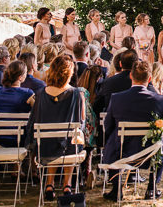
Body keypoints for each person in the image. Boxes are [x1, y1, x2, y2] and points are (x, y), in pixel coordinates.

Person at [102, 61, 163, 201]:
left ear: (131, 76)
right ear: (149, 79)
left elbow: (108, 126)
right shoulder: (158, 100)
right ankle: (152, 188)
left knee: (111, 138)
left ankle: (116, 188)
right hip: (147, 153)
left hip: (121, 151)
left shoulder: (117, 98)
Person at [25, 55, 85, 201]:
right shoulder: (78, 94)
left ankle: (49, 184)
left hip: (45, 147)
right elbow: (82, 120)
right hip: (70, 148)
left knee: (53, 140)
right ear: (69, 73)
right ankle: (67, 184)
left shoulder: (40, 94)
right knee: (72, 138)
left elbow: (34, 120)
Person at [92, 49, 140, 115]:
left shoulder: (108, 82)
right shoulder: (141, 82)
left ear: (120, 64)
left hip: (114, 122)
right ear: (137, 64)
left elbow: (97, 106)